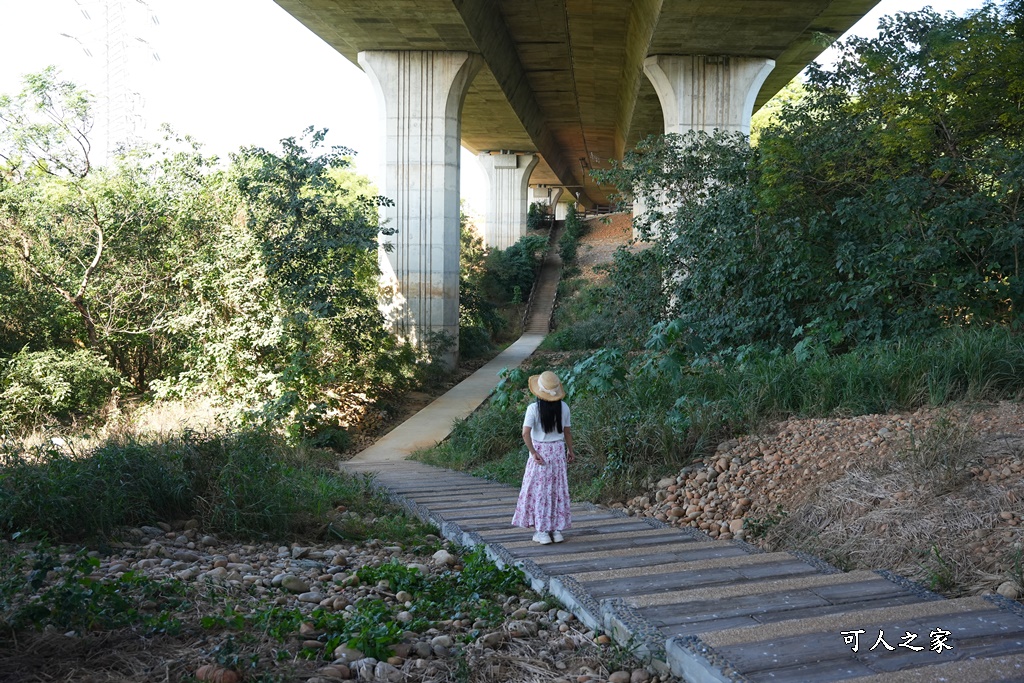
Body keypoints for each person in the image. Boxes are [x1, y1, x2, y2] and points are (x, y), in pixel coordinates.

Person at [511, 371, 575, 544]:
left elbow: (525, 433)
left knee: (540, 492)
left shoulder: (533, 409)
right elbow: (567, 432)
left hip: (541, 452)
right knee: (556, 491)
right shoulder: (564, 407)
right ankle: (556, 530)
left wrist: (533, 452)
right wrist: (570, 450)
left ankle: (542, 531)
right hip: (558, 451)